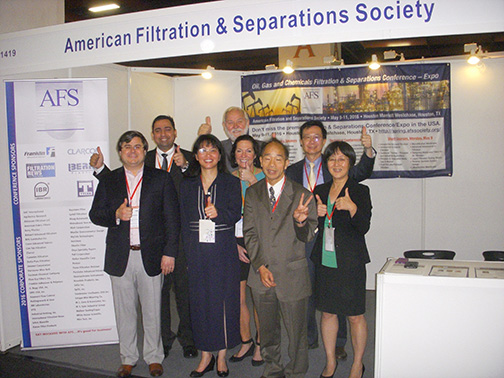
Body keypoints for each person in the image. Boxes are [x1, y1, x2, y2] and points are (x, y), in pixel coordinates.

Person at [89, 115, 198, 359]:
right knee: (140, 307)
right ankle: (143, 351)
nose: (132, 150)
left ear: (175, 132)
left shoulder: (177, 165)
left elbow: (197, 183)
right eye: (127, 147)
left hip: (172, 242)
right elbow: (102, 203)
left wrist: (185, 166)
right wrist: (115, 212)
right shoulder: (127, 169)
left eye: (137, 146)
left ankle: (173, 347)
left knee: (175, 296)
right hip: (132, 250)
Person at [285, 120, 375, 357]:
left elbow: (361, 172)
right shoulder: (292, 170)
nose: (312, 141)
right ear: (301, 141)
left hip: (339, 243)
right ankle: (310, 336)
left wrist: (368, 150)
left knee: (342, 293)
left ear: (323, 140)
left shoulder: (336, 166)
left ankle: (340, 341)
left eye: (317, 137)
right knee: (309, 290)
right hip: (305, 238)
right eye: (307, 137)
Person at [244, 139, 318, 378]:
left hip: (292, 274)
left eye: (278, 158)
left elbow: (307, 236)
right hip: (261, 274)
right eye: (267, 158)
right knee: (267, 332)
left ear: (286, 163)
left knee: (297, 333)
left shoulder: (302, 194)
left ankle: (297, 371)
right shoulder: (253, 193)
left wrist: (300, 220)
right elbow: (250, 233)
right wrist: (260, 266)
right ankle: (273, 369)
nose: (272, 163)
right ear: (260, 161)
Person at [179, 134, 242, 377]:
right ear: (195, 156)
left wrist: (219, 213)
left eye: (212, 150)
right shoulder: (187, 185)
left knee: (224, 302)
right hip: (196, 251)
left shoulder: (230, 182)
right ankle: (205, 355)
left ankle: (222, 355)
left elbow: (235, 213)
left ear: (220, 155)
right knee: (200, 302)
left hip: (223, 250)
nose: (208, 155)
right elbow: (184, 222)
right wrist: (186, 255)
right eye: (202, 151)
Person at [312, 141, 372, 378]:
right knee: (327, 313)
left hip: (350, 261)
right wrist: (311, 216)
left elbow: (364, 227)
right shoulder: (320, 189)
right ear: (326, 163)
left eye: (341, 159)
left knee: (355, 315)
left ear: (350, 163)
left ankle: (358, 364)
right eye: (332, 159)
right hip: (326, 259)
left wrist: (353, 208)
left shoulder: (359, 191)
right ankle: (330, 362)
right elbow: (313, 227)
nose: (336, 164)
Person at [228, 135, 265, 366]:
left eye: (248, 151)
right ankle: (246, 341)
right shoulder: (228, 179)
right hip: (237, 241)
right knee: (239, 297)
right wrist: (233, 244)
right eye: (239, 151)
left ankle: (261, 344)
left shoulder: (265, 175)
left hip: (261, 241)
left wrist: (253, 181)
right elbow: (224, 216)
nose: (244, 156)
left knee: (259, 297)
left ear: (255, 154)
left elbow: (271, 209)